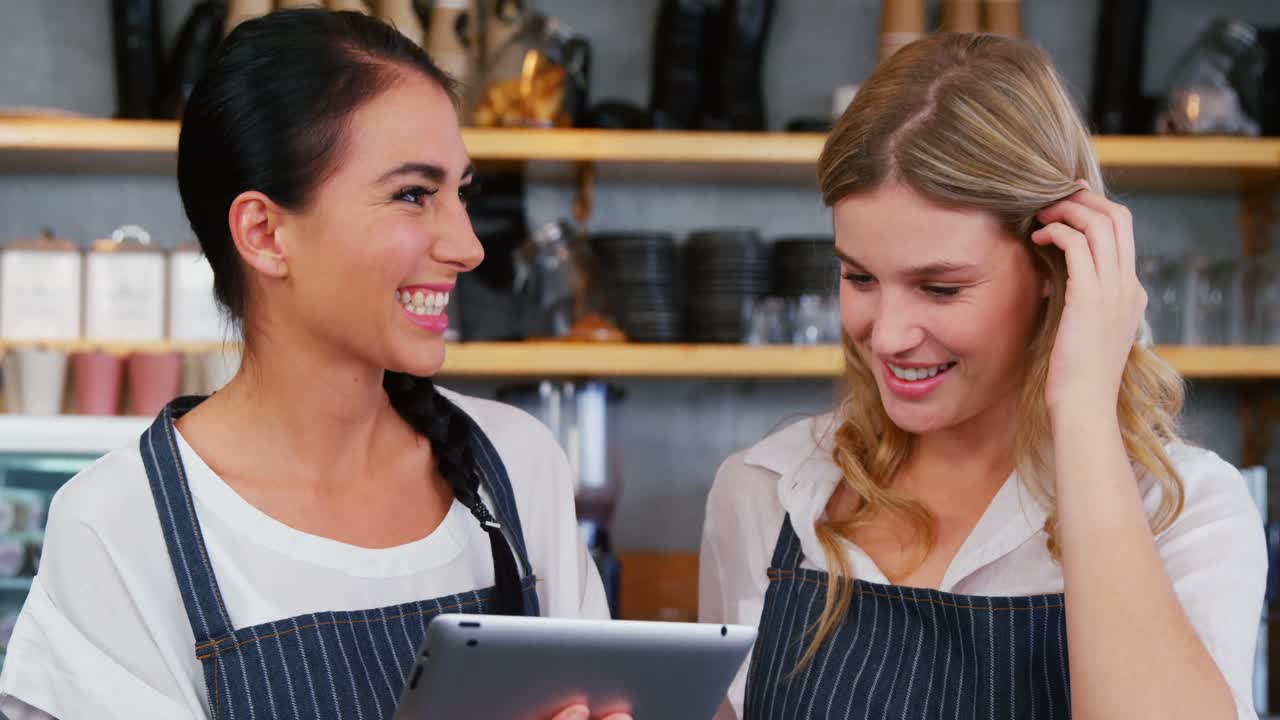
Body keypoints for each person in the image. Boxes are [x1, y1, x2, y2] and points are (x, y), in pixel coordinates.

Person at [0, 10, 627, 720]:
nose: (469, 245)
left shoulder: (516, 466)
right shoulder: (118, 526)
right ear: (265, 234)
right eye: (414, 195)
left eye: (462, 193)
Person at [699, 32, 1267, 720]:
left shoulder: (1183, 512)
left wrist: (1084, 407)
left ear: (1057, 271)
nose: (889, 334)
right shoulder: (765, 495)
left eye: (940, 288)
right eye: (860, 277)